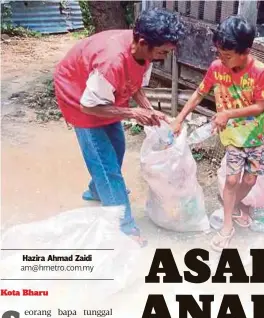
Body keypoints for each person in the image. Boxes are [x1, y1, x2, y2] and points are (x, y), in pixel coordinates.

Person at [54, 9, 185, 247]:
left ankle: (97, 190)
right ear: (143, 43)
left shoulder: (144, 52)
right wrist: (134, 112)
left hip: (102, 94)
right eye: (163, 52)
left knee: (117, 148)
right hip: (78, 96)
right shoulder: (112, 62)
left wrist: (149, 110)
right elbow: (89, 106)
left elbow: (134, 85)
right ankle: (123, 227)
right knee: (107, 166)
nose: (164, 57)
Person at [171, 15, 264, 251]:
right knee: (231, 179)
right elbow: (199, 93)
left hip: (257, 136)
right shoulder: (217, 68)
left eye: (227, 55)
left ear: (246, 50)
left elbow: (260, 106)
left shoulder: (261, 71)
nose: (221, 59)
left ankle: (234, 206)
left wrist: (228, 114)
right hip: (233, 137)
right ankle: (227, 225)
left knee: (250, 180)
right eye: (219, 53)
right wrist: (179, 118)